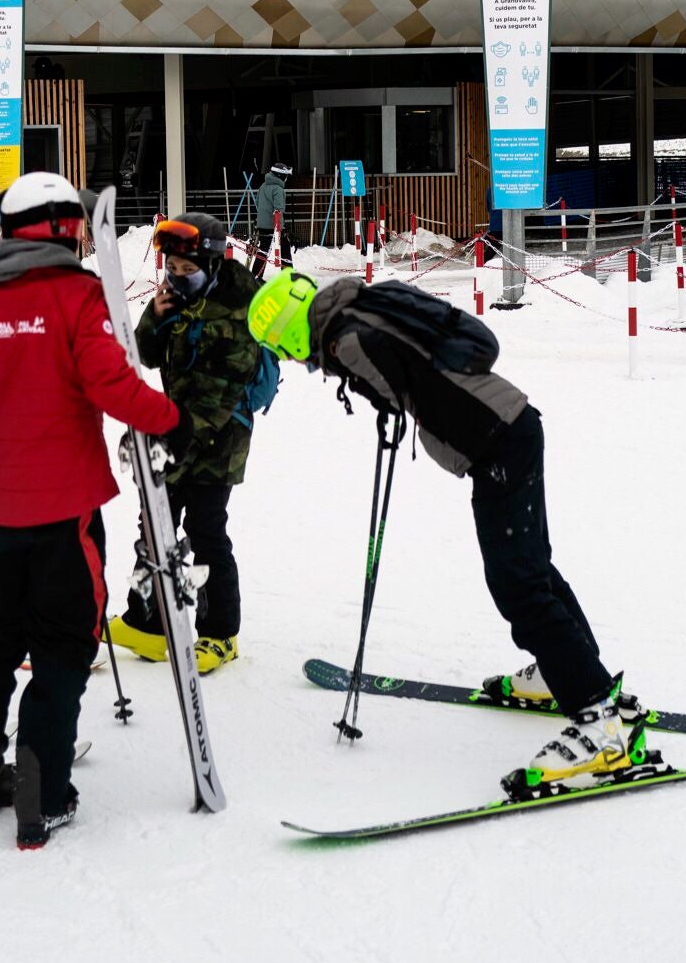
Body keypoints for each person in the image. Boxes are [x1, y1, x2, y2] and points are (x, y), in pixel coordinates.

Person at [246, 269, 651, 795]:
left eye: (291, 352)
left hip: (497, 441)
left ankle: (603, 723)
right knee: (530, 568)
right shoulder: (363, 306)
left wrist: (370, 389)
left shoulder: (348, 337)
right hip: (513, 426)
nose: (303, 365)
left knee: (517, 584)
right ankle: (573, 673)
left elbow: (392, 393)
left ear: (292, 333)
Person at [0, 172, 179, 849]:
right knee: (63, 648)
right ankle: (40, 800)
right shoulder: (79, 297)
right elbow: (112, 384)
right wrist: (168, 417)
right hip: (64, 513)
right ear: (69, 227)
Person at [106, 211, 265, 674]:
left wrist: (172, 443)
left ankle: (219, 634)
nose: (178, 278)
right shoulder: (175, 297)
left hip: (221, 435)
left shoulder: (239, 309)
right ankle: (147, 623)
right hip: (177, 425)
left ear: (212, 265)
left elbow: (221, 392)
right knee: (154, 525)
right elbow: (144, 354)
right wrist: (154, 319)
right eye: (172, 269)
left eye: (187, 271)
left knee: (205, 529)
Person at [252, 161, 292, 273]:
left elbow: (257, 202)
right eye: (286, 176)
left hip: (261, 224)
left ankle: (256, 274)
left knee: (263, 249)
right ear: (280, 175)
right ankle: (287, 275)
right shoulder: (278, 189)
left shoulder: (263, 186)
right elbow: (279, 209)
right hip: (275, 225)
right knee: (285, 249)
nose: (286, 178)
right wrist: (280, 227)